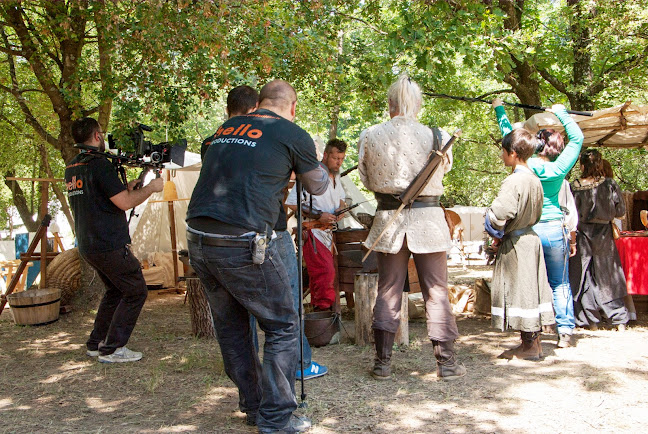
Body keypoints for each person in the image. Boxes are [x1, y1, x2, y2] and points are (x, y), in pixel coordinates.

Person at [186, 80, 329, 433]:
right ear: (292, 106)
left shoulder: (226, 128)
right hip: (242, 240)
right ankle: (277, 419)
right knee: (283, 325)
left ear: (260, 103)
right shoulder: (292, 133)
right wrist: (311, 160)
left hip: (199, 237)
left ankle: (253, 406)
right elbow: (318, 186)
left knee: (232, 328)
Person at [358, 75, 466, 381]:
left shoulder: (369, 135)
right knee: (437, 292)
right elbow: (445, 170)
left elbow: (366, 179)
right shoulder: (438, 135)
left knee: (388, 290)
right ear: (417, 104)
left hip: (388, 222)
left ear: (390, 104)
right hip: (429, 222)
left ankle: (382, 363)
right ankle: (446, 364)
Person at [65, 117, 164, 363]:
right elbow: (125, 203)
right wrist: (151, 188)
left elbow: (101, 198)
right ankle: (112, 349)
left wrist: (128, 187)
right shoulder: (99, 164)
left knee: (115, 290)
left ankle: (95, 343)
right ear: (97, 136)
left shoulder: (74, 165)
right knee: (136, 291)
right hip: (108, 243)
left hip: (89, 243)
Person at [492, 99, 584, 348]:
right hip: (554, 229)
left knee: (532, 281)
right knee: (560, 282)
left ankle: (535, 332)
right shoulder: (559, 169)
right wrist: (562, 113)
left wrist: (499, 108)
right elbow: (577, 139)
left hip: (528, 230)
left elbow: (508, 135)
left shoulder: (526, 165)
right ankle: (565, 332)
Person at [484, 126, 555, 360]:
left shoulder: (514, 181)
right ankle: (531, 344)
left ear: (513, 153)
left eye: (503, 151)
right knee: (529, 291)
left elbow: (500, 214)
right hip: (529, 240)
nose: (501, 155)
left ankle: (530, 347)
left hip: (518, 243)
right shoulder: (534, 179)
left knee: (523, 292)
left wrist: (492, 226)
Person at [569, 149, 629, 330]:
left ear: (581, 165)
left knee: (582, 275)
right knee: (609, 274)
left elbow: (569, 214)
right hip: (603, 233)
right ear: (600, 164)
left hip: (581, 234)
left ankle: (589, 320)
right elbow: (621, 212)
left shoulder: (574, 186)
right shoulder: (609, 184)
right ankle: (619, 319)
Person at [286, 138, 348, 312]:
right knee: (324, 272)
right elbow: (293, 202)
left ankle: (318, 315)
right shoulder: (312, 175)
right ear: (326, 155)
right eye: (336, 158)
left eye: (342, 159)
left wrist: (341, 209)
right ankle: (323, 313)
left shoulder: (335, 176)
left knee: (321, 275)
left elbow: (341, 199)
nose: (339, 162)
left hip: (328, 233)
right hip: (312, 232)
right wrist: (319, 215)